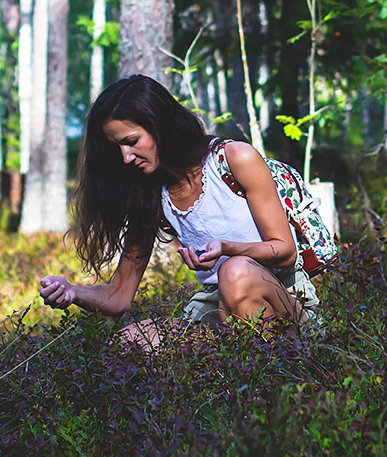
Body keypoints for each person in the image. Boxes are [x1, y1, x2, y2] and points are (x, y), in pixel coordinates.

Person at [38, 75, 318, 338]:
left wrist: (228, 247)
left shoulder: (234, 159)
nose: (125, 157)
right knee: (132, 340)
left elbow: (284, 252)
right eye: (117, 148)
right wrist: (72, 291)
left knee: (236, 272)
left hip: (285, 295)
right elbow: (119, 295)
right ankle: (230, 370)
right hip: (217, 305)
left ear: (160, 126)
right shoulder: (149, 194)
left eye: (131, 142)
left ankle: (272, 378)